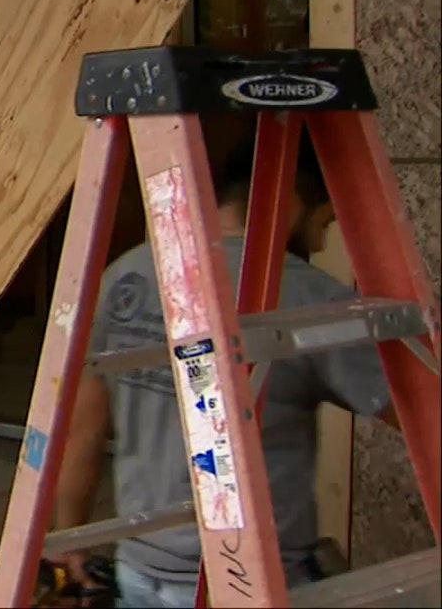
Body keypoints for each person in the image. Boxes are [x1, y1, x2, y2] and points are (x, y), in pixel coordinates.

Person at [52, 135, 402, 608]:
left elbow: (83, 430)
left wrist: (72, 538)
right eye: (325, 223)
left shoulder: (129, 274)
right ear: (292, 207)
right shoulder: (308, 297)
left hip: (139, 570)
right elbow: (417, 412)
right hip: (249, 581)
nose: (321, 243)